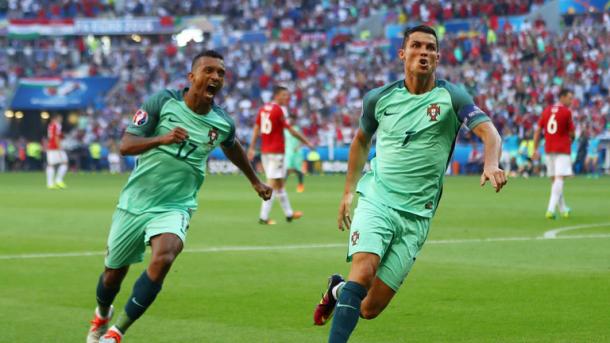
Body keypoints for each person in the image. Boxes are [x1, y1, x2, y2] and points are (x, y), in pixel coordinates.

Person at [312, 25, 506, 343]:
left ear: (439, 57)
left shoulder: (451, 96)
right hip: (378, 200)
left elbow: (489, 132)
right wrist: (348, 191)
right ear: (403, 53)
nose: (424, 52)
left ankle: (336, 289)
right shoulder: (379, 98)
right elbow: (361, 141)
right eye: (416, 46)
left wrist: (491, 163)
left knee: (369, 308)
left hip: (417, 215)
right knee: (362, 272)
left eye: (430, 48)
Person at [86, 50, 272, 343]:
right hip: (136, 202)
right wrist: (163, 138)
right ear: (192, 77)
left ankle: (116, 332)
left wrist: (255, 180)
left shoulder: (222, 122)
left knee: (165, 256)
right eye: (209, 70)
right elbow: (125, 145)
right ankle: (102, 313)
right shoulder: (163, 102)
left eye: (221, 73)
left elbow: (232, 145)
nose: (216, 77)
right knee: (112, 275)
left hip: (175, 205)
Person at [247, 86, 313, 225]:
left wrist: (252, 147)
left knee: (280, 185)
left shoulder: (264, 108)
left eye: (287, 95)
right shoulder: (278, 110)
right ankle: (263, 217)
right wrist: (306, 141)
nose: (286, 98)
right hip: (276, 152)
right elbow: (290, 130)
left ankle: (289, 214)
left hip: (266, 151)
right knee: (271, 184)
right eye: (284, 95)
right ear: (276, 95)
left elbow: (256, 128)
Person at [533, 89, 575, 219]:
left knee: (555, 181)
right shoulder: (566, 112)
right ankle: (550, 210)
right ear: (562, 97)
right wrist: (572, 139)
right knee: (559, 179)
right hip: (562, 149)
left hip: (548, 148)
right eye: (569, 98)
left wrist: (534, 149)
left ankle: (563, 209)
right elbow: (572, 133)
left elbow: (538, 130)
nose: (571, 101)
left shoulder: (546, 110)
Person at [46, 114, 69, 189]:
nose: (61, 120)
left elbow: (52, 136)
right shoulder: (57, 125)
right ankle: (58, 180)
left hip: (50, 147)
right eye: (60, 118)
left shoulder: (50, 125)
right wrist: (59, 147)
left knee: (51, 165)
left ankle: (50, 184)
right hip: (55, 147)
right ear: (55, 119)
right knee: (64, 162)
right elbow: (56, 136)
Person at [284, 116, 306, 193]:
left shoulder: (297, 129)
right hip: (288, 152)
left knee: (297, 170)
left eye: (293, 120)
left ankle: (300, 185)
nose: (291, 121)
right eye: (290, 119)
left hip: (297, 153)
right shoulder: (285, 129)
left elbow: (302, 139)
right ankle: (282, 186)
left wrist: (298, 146)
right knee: (287, 169)